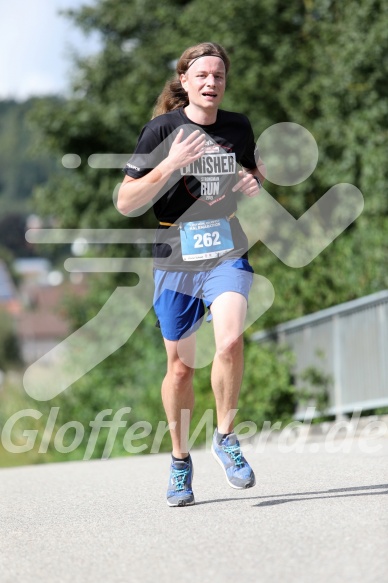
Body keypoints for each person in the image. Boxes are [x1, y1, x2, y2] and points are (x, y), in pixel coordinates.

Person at [117, 42, 265, 507]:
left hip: (226, 248)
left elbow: (254, 178)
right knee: (180, 368)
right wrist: (169, 165)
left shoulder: (238, 127)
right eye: (201, 75)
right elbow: (126, 202)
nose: (210, 83)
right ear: (184, 81)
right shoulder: (162, 129)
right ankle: (181, 462)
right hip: (175, 254)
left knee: (229, 341)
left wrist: (254, 182)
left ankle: (225, 436)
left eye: (218, 76)